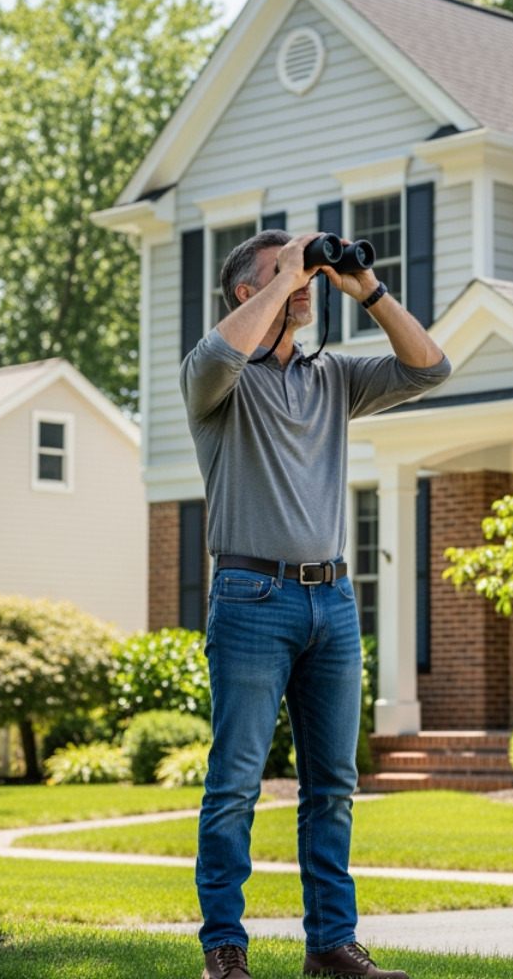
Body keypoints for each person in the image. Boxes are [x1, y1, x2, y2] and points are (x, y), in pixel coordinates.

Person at [181, 229, 451, 979]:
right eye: (286, 274)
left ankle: (331, 946)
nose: (307, 282)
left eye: (308, 272)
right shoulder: (217, 382)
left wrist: (366, 287)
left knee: (332, 784)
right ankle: (224, 951)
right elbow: (217, 355)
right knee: (235, 781)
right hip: (250, 596)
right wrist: (288, 275)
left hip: (330, 600)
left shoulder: (332, 376)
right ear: (247, 292)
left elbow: (429, 367)